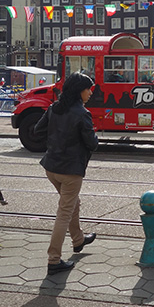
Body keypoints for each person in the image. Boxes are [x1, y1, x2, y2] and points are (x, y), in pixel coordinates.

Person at [34, 72, 99, 275]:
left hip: (52, 167)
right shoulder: (82, 113)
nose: (90, 92)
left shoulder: (55, 108)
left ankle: (78, 240)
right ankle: (54, 260)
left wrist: (55, 142)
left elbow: (37, 130)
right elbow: (92, 143)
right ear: (80, 91)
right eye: (88, 88)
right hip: (71, 170)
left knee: (72, 204)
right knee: (64, 213)